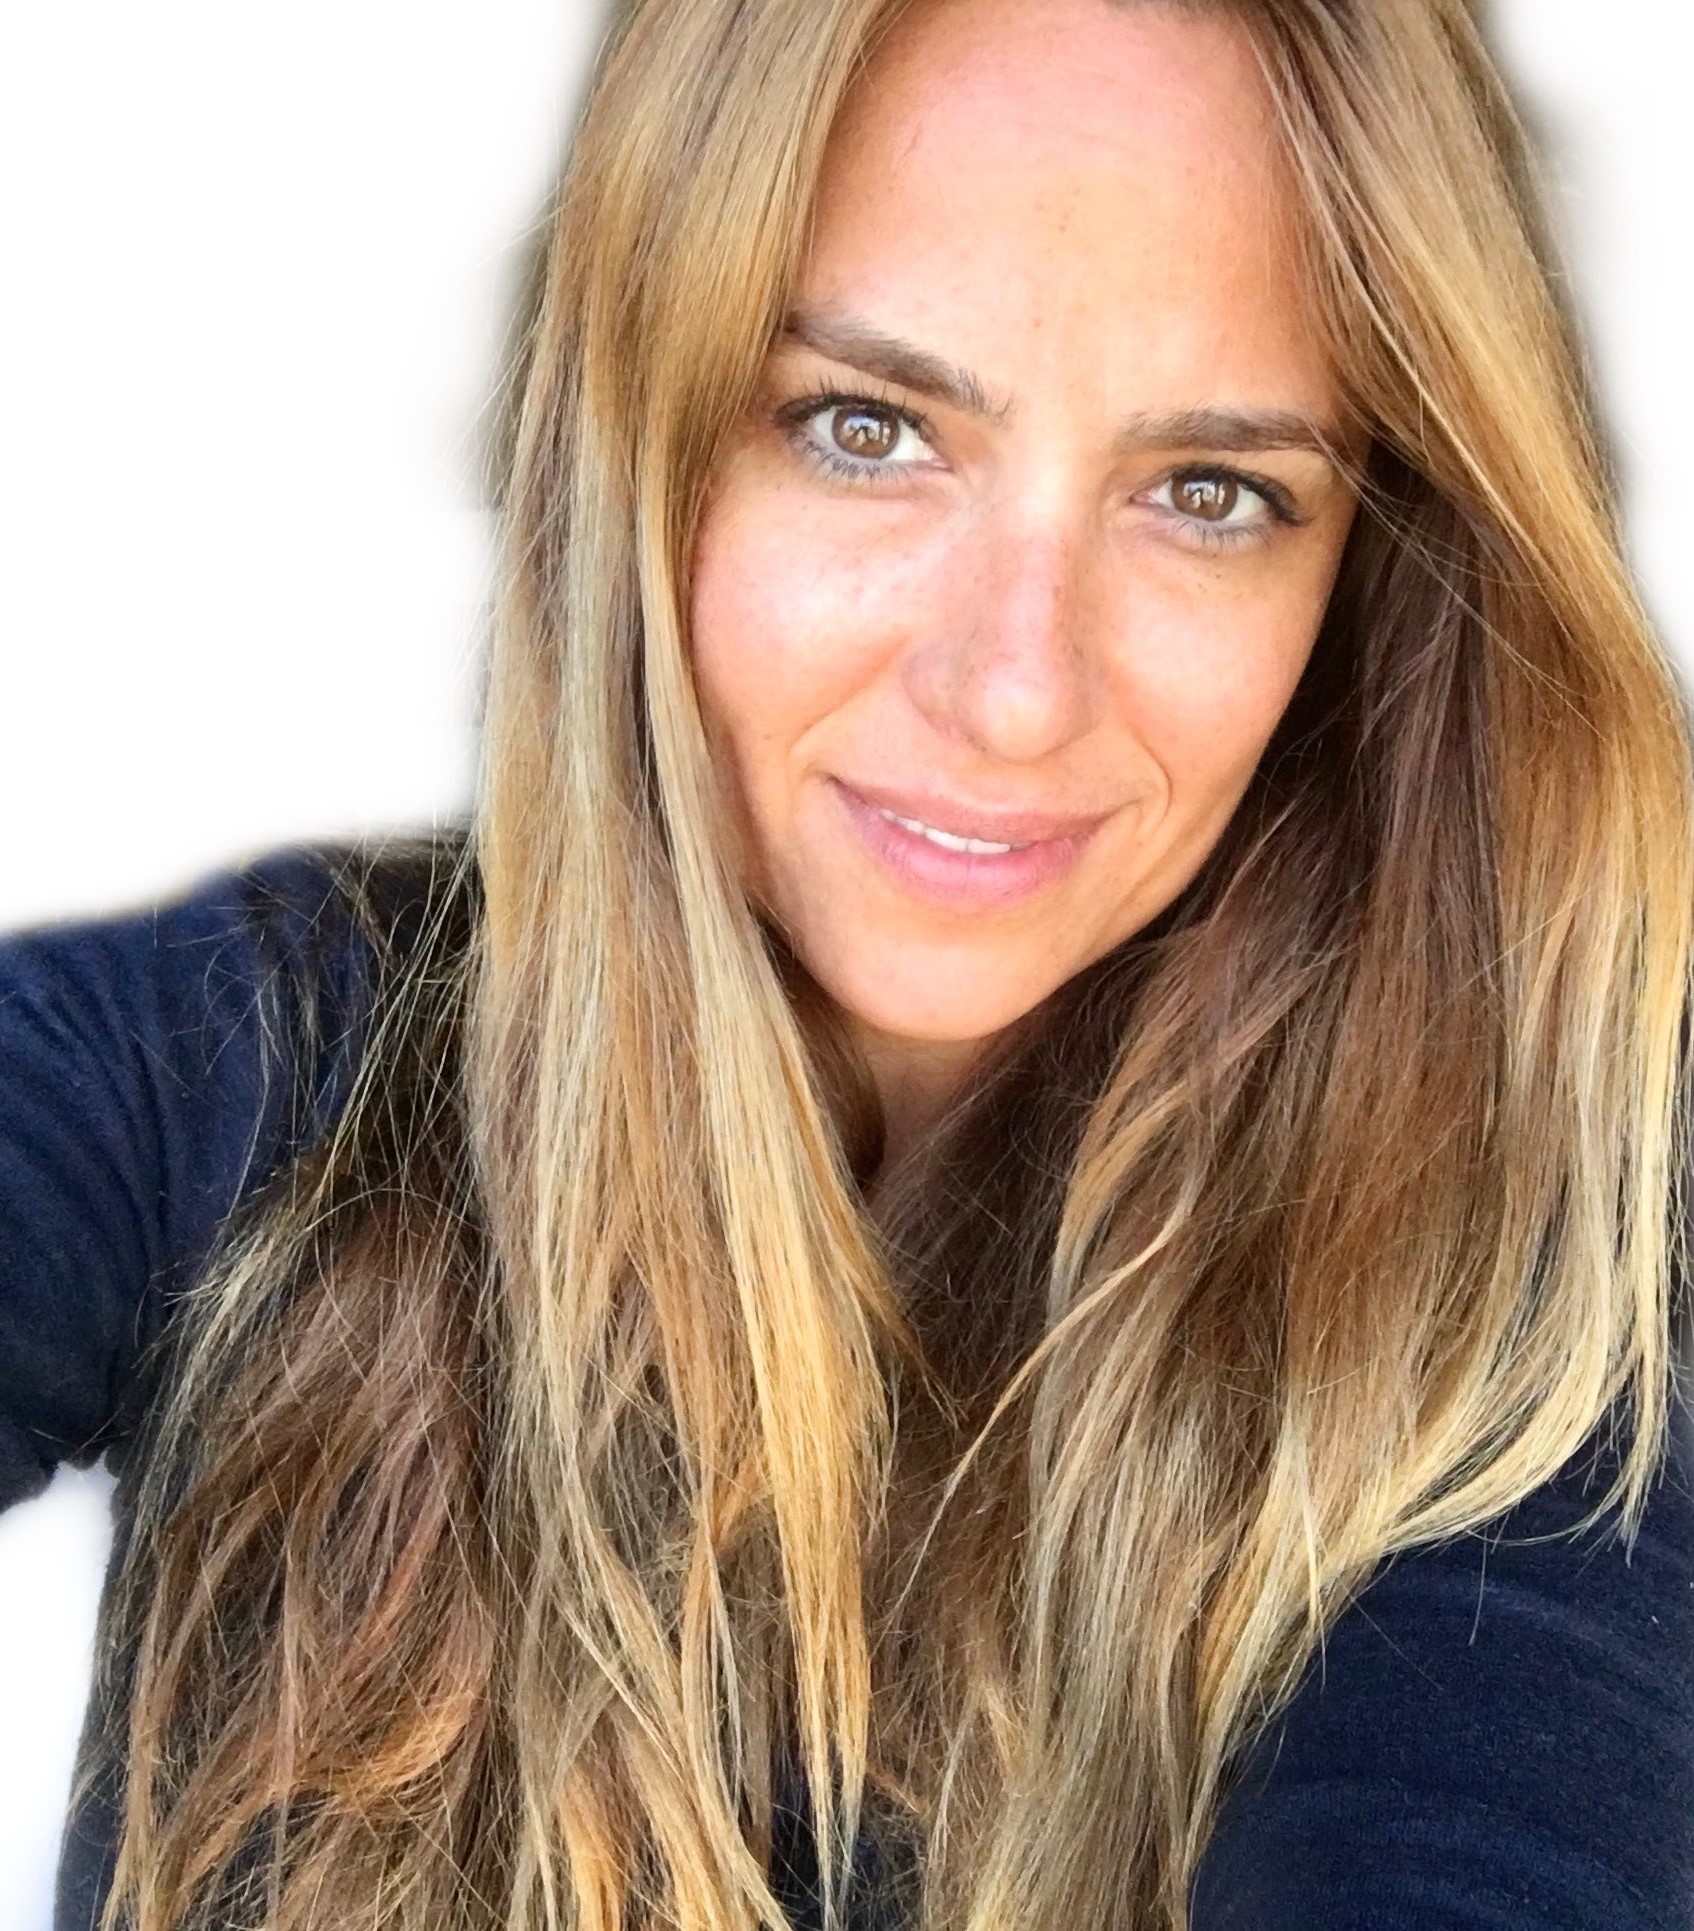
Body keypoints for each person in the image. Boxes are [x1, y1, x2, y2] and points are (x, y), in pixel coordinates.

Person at [3, 0, 1692, 1926]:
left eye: (1209, 492)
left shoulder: (1559, 1255)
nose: (1013, 690)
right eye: (863, 430)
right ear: (634, 437)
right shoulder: (244, 1068)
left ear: (1370, 576)